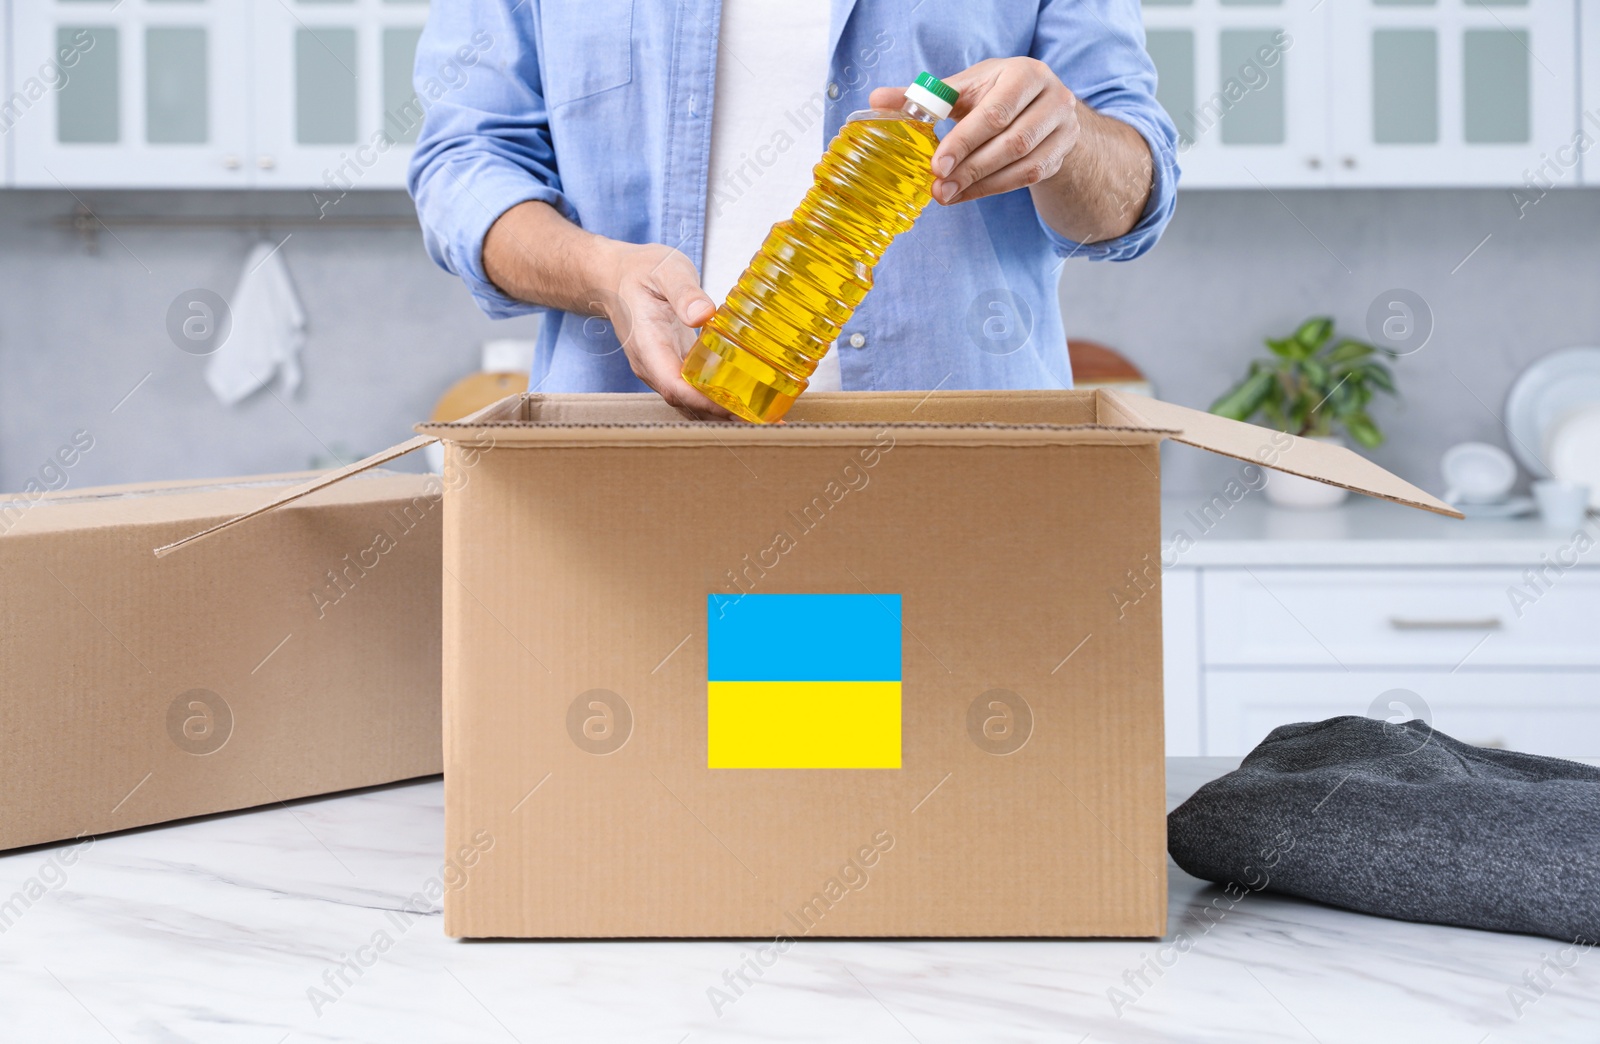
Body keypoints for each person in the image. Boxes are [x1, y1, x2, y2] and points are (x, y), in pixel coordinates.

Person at [409, 2, 1178, 420]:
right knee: (695, 718)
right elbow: (463, 168)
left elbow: (1133, 191)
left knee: (882, 719)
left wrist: (1066, 135)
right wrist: (605, 275)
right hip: (635, 481)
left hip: (949, 487)